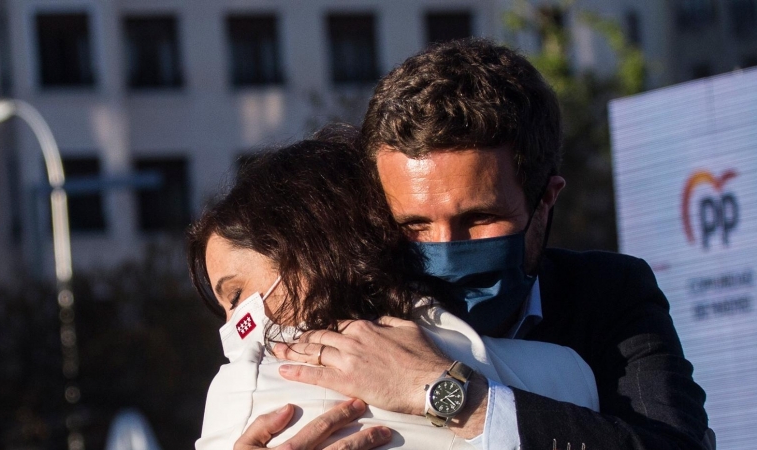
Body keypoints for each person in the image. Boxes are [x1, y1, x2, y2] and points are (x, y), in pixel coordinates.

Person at [272, 39, 712, 449]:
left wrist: (447, 392)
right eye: (415, 224)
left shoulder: (609, 293)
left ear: (546, 200)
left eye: (479, 218)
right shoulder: (343, 307)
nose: (444, 248)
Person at [188, 137, 599, 449]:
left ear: (303, 251)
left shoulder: (246, 392)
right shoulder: (566, 371)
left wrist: (443, 391)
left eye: (237, 294)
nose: (232, 326)